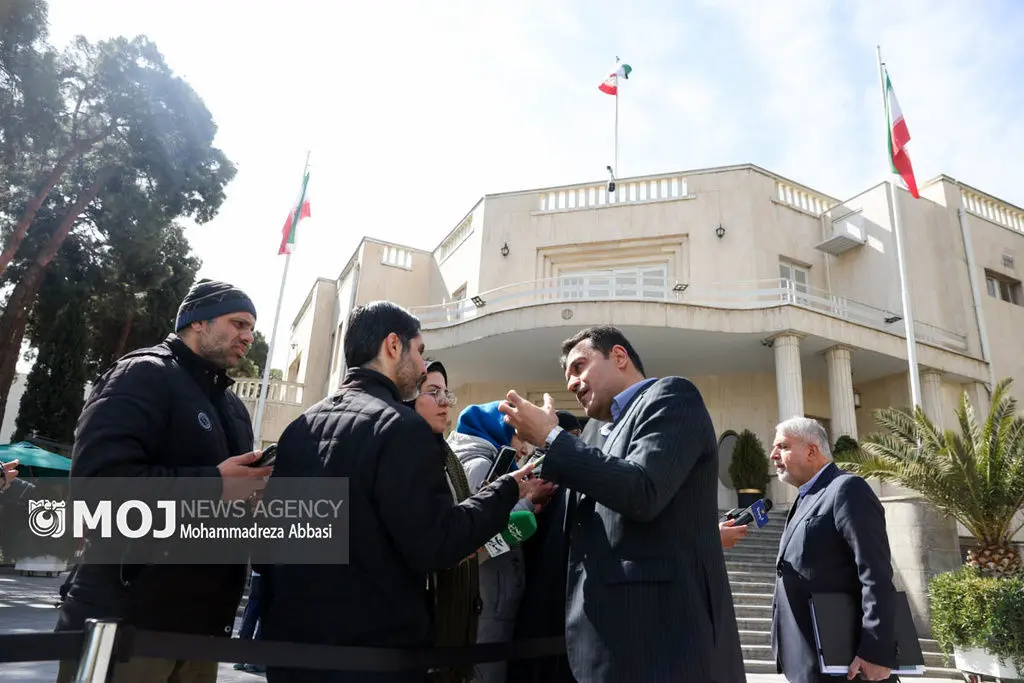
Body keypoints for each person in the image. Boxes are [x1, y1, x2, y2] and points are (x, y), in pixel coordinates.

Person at [259, 301, 544, 683]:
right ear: (394, 346)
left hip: (296, 656)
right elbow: (435, 543)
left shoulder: (300, 427)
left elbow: (269, 548)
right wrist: (507, 489)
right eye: (420, 351)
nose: (424, 366)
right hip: (371, 657)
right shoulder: (400, 429)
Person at [498, 325, 746, 683]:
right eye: (567, 375)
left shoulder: (672, 396)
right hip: (602, 648)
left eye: (579, 367)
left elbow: (642, 490)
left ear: (619, 356)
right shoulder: (596, 433)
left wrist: (552, 437)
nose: (571, 383)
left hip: (663, 648)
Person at [54, 278, 273, 683]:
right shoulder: (141, 375)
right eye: (239, 323)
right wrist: (215, 485)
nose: (248, 337)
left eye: (252, 329)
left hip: (199, 634)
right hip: (124, 627)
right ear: (198, 322)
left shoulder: (233, 408)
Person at [769, 417, 898, 683]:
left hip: (847, 666)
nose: (773, 455)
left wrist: (875, 651)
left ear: (811, 450)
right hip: (810, 662)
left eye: (782, 446)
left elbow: (875, 572)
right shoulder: (807, 497)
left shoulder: (847, 489)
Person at [448, 401, 556, 683]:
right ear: (497, 429)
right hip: (481, 606)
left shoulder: (482, 460)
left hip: (487, 605)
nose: (525, 448)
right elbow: (482, 531)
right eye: (520, 436)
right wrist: (529, 503)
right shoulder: (479, 464)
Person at [407, 360, 479, 683]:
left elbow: (458, 542)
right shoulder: (406, 455)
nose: (443, 402)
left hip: (454, 625)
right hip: (418, 632)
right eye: (432, 392)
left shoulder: (450, 460)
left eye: (445, 393)